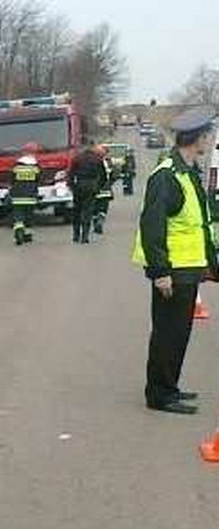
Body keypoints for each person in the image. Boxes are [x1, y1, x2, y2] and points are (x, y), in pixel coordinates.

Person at [133, 108, 218, 414]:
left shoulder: (187, 172)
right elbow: (152, 225)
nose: (211, 140)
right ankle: (159, 395)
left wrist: (208, 263)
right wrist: (160, 272)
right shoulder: (168, 176)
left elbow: (198, 222)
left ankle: (169, 387)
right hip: (173, 272)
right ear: (198, 138)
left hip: (188, 270)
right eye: (209, 135)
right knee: (168, 334)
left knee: (178, 333)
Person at [68, 144, 105, 243]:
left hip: (79, 185)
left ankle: (76, 235)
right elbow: (103, 176)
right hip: (91, 186)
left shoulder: (77, 158)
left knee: (77, 211)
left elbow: (71, 173)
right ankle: (85, 236)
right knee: (87, 211)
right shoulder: (97, 160)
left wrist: (72, 186)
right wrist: (98, 187)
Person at [8, 142, 41, 245]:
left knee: (18, 216)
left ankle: (19, 233)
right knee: (28, 217)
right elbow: (38, 181)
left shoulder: (16, 166)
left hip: (17, 196)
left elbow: (11, 180)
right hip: (30, 196)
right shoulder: (36, 167)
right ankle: (27, 235)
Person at [92, 144, 115, 235]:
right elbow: (114, 173)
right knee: (103, 207)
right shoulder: (108, 162)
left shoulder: (92, 161)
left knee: (94, 208)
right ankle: (100, 220)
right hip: (105, 189)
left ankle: (96, 223)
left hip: (94, 189)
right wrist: (110, 183)